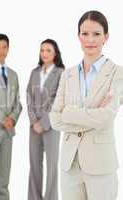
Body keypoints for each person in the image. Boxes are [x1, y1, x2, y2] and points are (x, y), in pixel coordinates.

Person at [50, 10, 123, 200]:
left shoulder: (117, 73)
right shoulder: (68, 74)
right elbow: (55, 119)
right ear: (78, 36)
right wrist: (92, 115)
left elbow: (106, 117)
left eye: (97, 34)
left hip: (100, 165)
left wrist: (70, 113)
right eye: (85, 33)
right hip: (69, 165)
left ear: (106, 37)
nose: (90, 39)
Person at [27, 39, 65, 200]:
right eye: (42, 50)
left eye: (48, 50)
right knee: (34, 165)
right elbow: (29, 96)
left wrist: (44, 123)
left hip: (51, 126)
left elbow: (59, 100)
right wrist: (34, 121)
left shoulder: (61, 73)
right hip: (34, 126)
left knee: (52, 166)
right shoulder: (35, 72)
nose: (44, 53)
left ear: (55, 53)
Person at [0, 33, 22, 200]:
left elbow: (18, 102)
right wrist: (3, 119)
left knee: (4, 178)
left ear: (8, 49)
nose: (1, 51)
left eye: (4, 47)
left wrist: (13, 119)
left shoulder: (13, 74)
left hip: (7, 133)